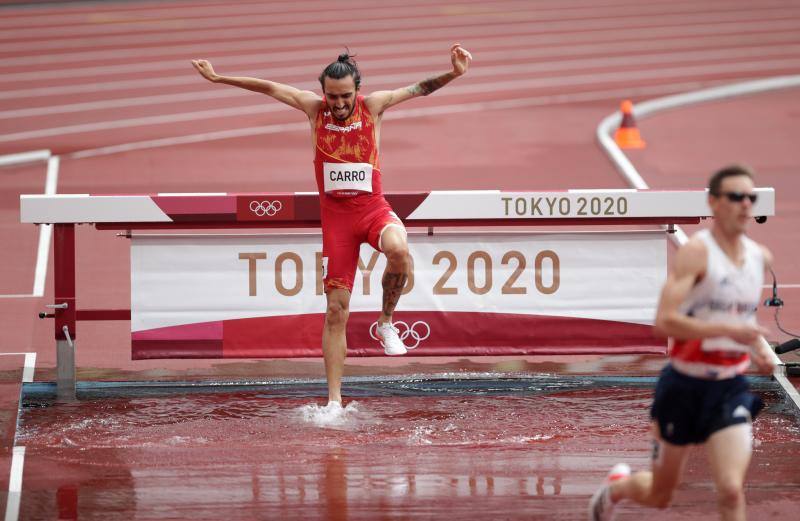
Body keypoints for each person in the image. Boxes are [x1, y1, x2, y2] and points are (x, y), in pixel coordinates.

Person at [192, 44, 472, 405]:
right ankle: (334, 401)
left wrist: (454, 73)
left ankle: (385, 321)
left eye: (345, 96)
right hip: (337, 223)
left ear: (357, 89)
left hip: (372, 209)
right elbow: (271, 88)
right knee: (336, 310)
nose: (338, 104)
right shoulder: (314, 110)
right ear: (323, 92)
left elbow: (419, 88)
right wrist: (219, 77)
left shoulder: (374, 106)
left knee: (399, 250)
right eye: (332, 96)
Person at [589, 165, 777, 521]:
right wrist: (724, 330)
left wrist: (756, 350)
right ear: (714, 203)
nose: (745, 205)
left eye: (750, 198)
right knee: (661, 494)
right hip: (683, 387)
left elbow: (742, 316)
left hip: (730, 387)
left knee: (731, 489)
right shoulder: (697, 254)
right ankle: (617, 489)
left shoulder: (759, 258)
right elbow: (664, 322)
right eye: (735, 197)